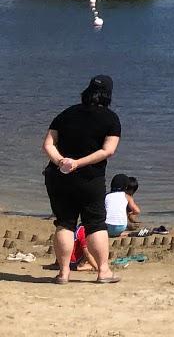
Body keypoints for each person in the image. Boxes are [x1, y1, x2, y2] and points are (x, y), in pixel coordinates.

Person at [41, 74, 122, 284]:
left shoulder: (65, 114)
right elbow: (108, 151)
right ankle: (103, 271)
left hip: (59, 177)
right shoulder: (111, 119)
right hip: (90, 179)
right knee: (95, 224)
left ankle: (63, 273)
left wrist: (61, 162)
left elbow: (48, 145)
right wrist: (78, 163)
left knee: (64, 224)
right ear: (108, 95)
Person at [72, 174, 141, 276]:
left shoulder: (107, 195)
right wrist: (130, 214)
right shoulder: (127, 196)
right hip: (121, 227)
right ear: (126, 187)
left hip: (106, 228)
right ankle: (120, 233)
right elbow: (137, 211)